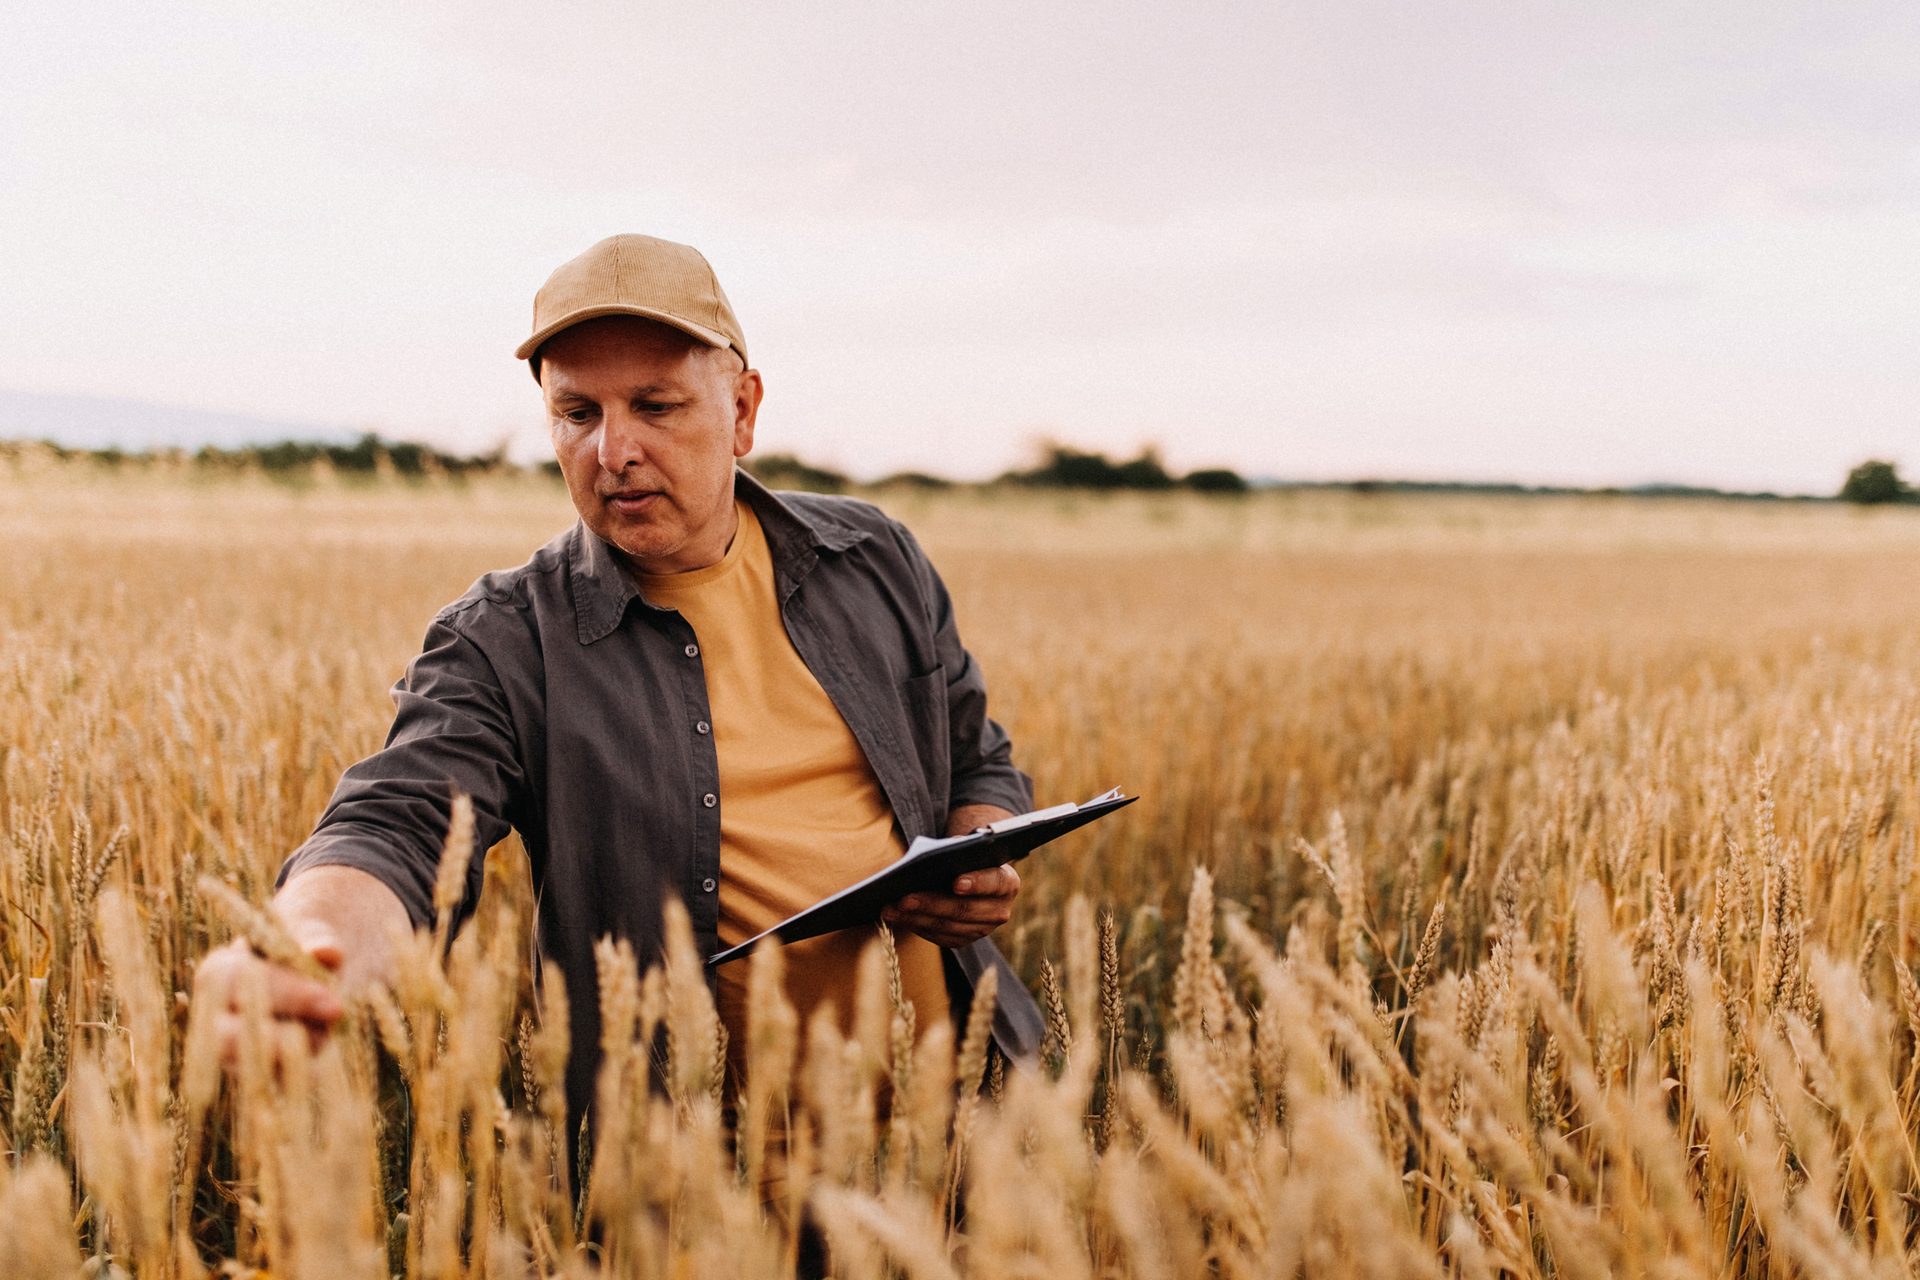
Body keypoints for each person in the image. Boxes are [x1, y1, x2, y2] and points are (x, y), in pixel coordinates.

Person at [193, 233, 1044, 1123]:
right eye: (578, 413)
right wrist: (302, 943)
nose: (614, 449)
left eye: (655, 405)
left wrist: (979, 849)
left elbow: (974, 756)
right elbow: (395, 823)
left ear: (744, 412)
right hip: (693, 1186)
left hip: (959, 1139)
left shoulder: (871, 557)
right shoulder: (504, 642)